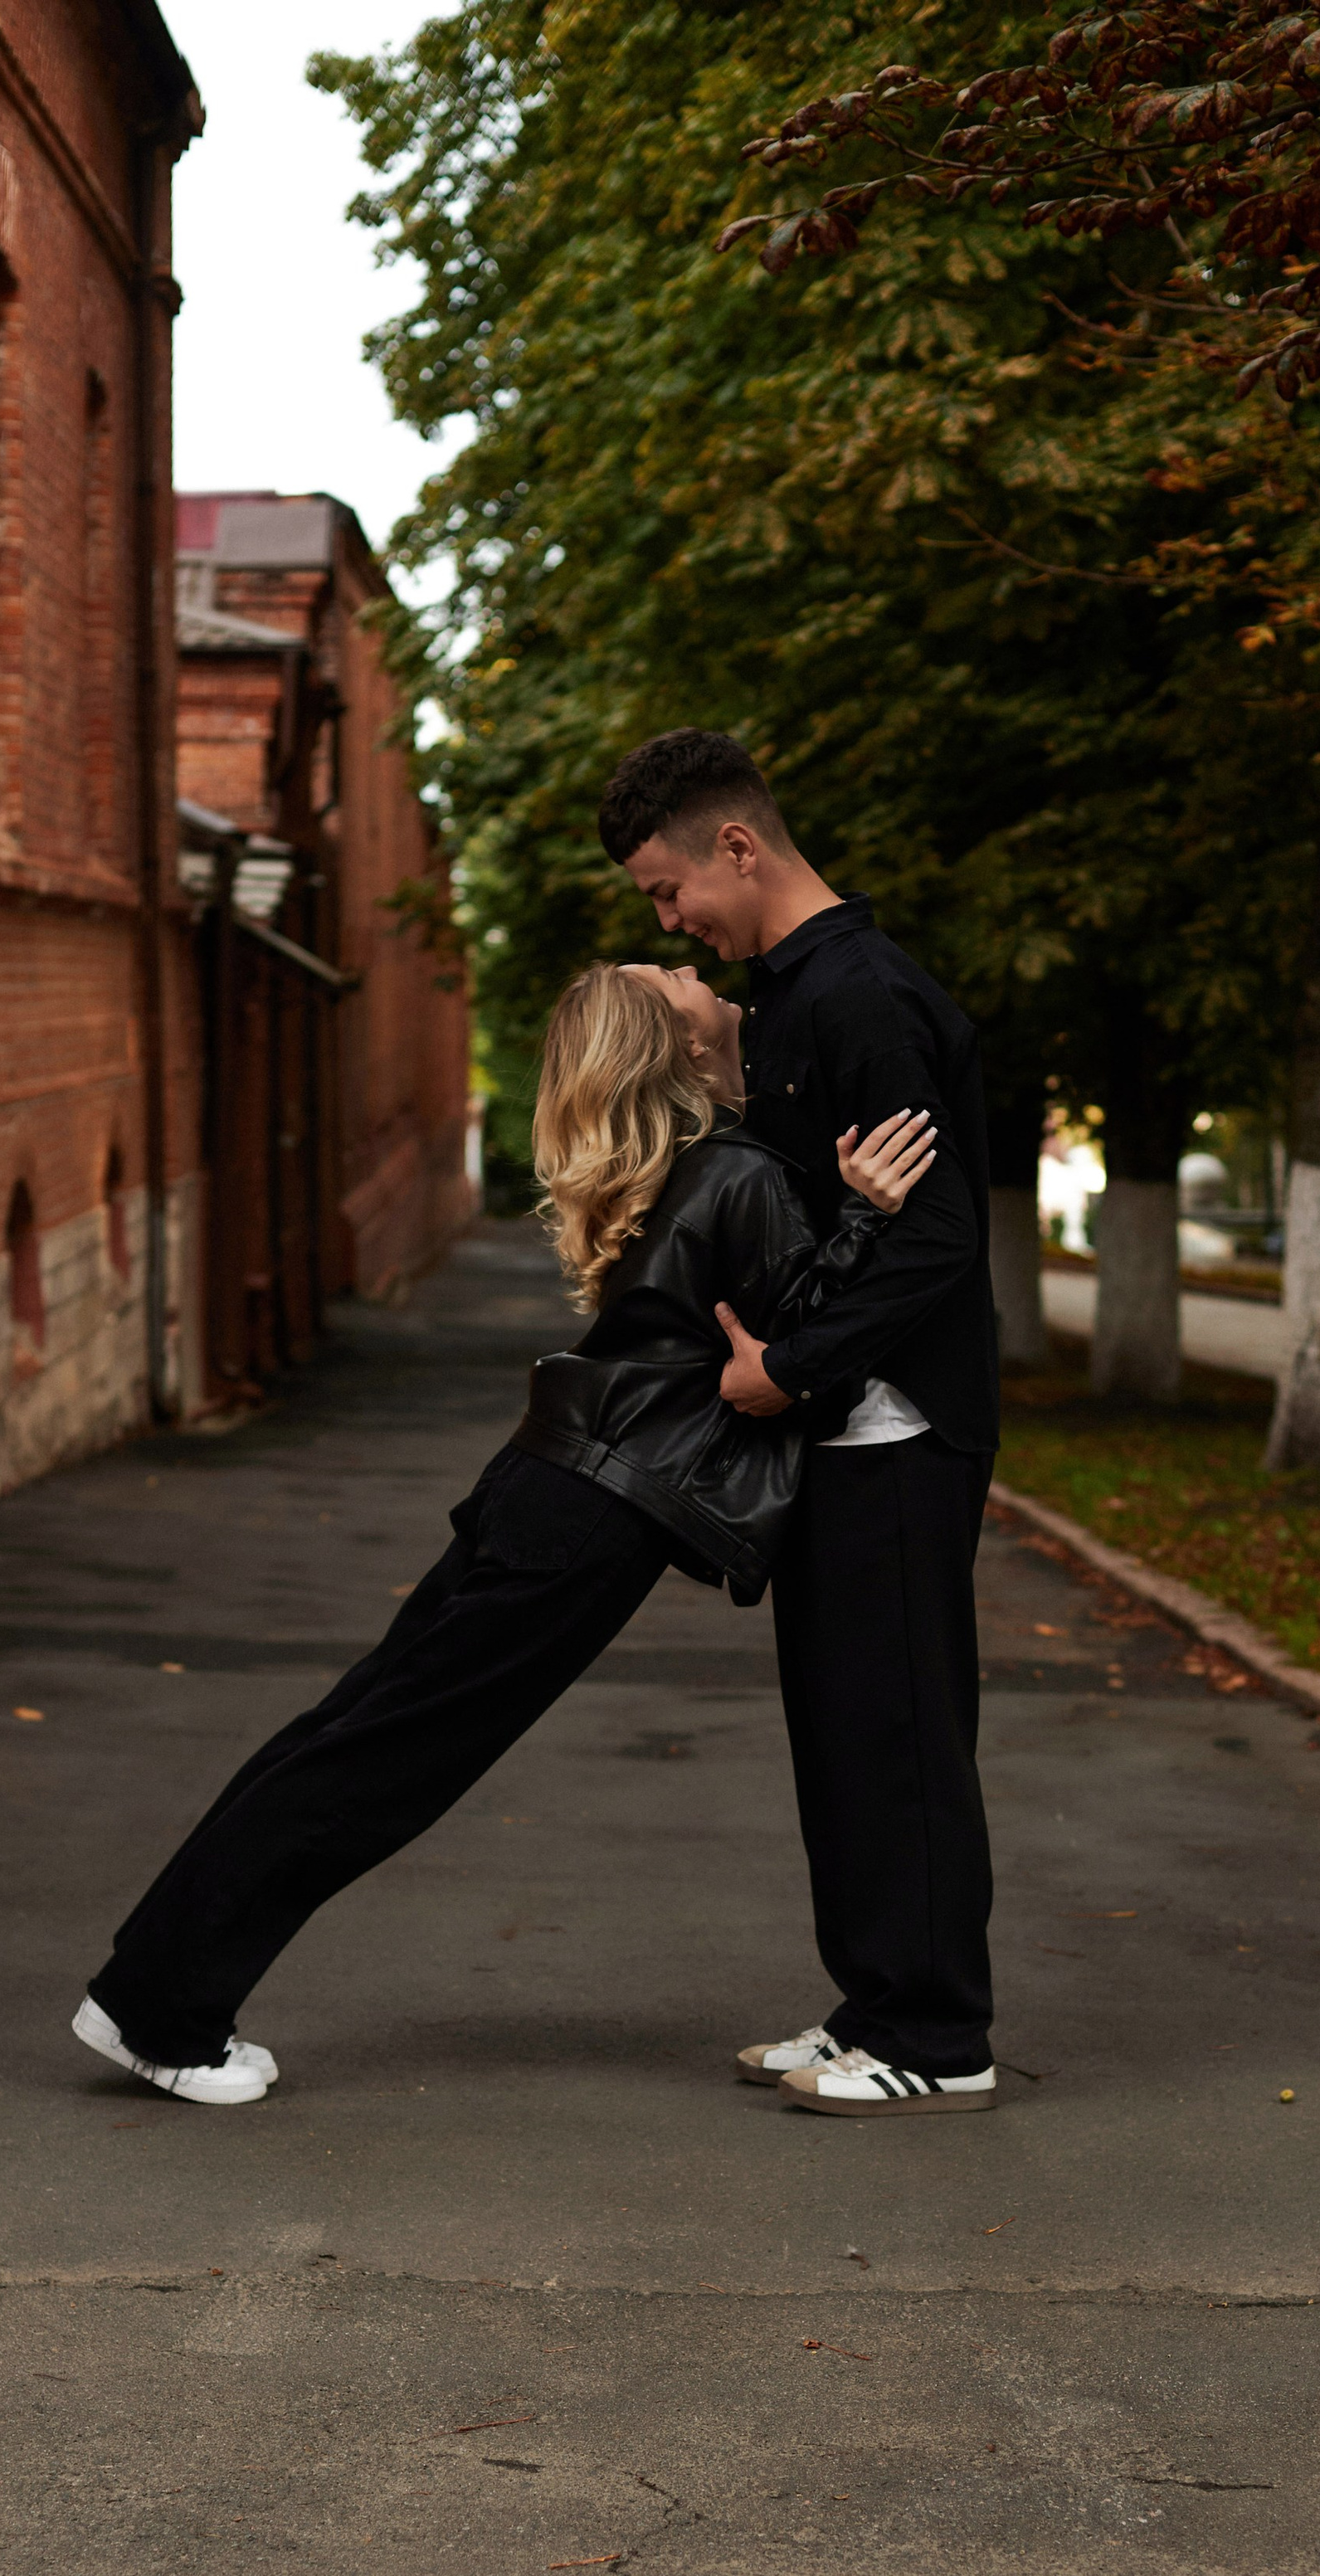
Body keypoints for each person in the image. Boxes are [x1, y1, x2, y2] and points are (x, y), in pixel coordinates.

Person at [72, 959, 935, 2106]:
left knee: (358, 1730)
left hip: (543, 1485)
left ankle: (152, 1987)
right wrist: (870, 1219)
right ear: (675, 1050)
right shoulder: (736, 1172)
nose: (700, 972)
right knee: (383, 1757)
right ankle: (159, 2011)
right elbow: (793, 1364)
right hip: (586, 1519)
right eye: (677, 983)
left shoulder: (680, 1169)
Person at [597, 728, 999, 2116]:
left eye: (667, 893)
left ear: (739, 847)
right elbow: (829, 1212)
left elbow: (937, 1235)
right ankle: (874, 2004)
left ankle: (939, 2038)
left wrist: (795, 1368)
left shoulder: (863, 997)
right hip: (840, 1429)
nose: (670, 924)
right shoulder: (794, 998)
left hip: (890, 1426)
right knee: (843, 1730)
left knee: (899, 1730)